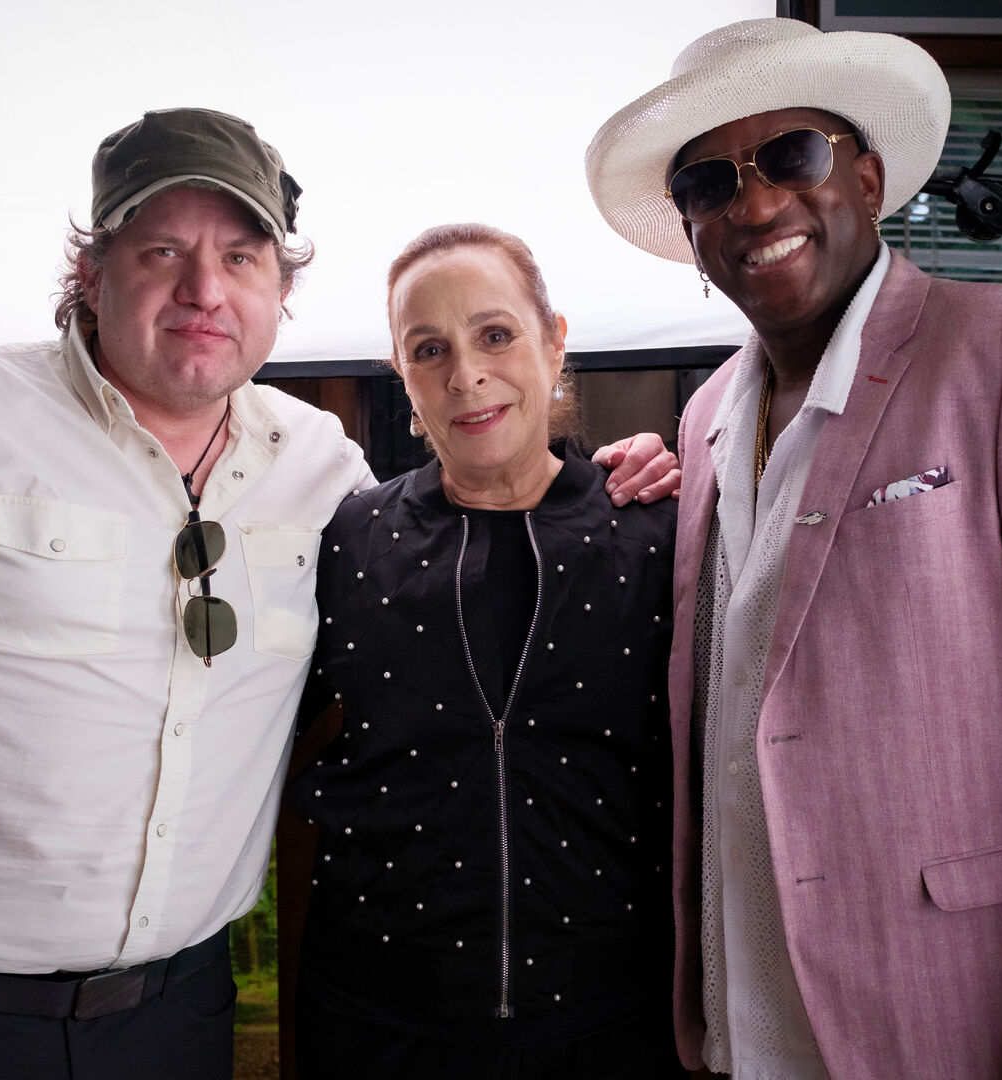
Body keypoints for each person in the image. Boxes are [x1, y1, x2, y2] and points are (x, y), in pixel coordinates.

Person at [0, 109, 677, 1080]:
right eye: (163, 250)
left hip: (178, 1019)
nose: (204, 290)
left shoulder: (320, 467)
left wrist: (616, 480)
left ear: (280, 290)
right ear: (92, 271)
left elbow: (470, 540)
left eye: (241, 258)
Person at [584, 19, 1002, 1080]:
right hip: (749, 1037)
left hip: (971, 1031)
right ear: (691, 232)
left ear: (870, 178)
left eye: (791, 154)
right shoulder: (704, 420)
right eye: (707, 183)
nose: (755, 204)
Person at [286, 224, 684, 1080]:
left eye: (495, 334)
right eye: (429, 349)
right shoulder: (349, 538)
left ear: (553, 341)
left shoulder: (663, 534)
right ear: (402, 375)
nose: (465, 375)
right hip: (378, 1015)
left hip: (614, 1013)